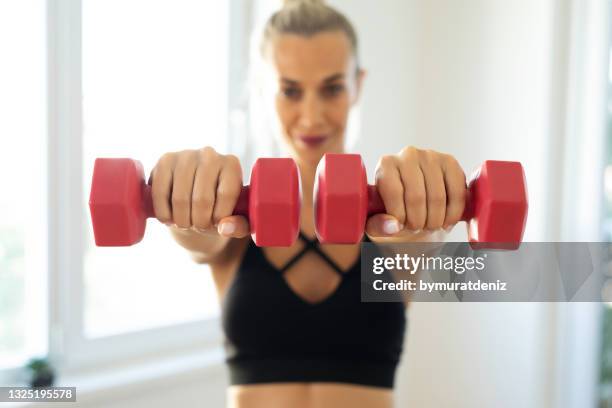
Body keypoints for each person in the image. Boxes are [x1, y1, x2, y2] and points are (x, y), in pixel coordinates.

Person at [148, 1, 467, 407]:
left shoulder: (396, 217)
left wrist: (436, 206)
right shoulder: (228, 214)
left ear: (358, 85)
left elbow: (422, 238)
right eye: (290, 90)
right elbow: (197, 238)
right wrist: (182, 202)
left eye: (332, 88)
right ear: (265, 90)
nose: (312, 117)